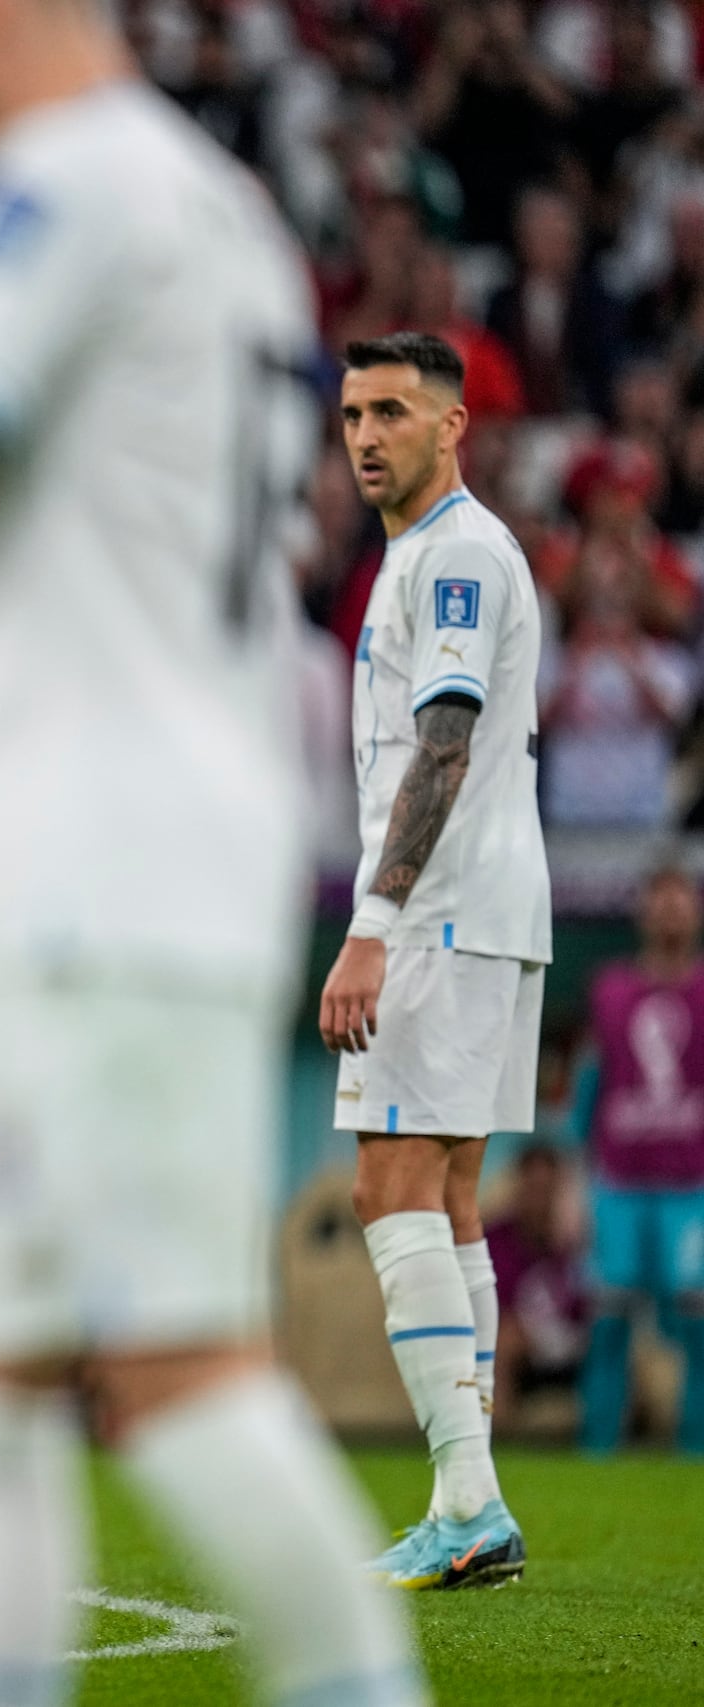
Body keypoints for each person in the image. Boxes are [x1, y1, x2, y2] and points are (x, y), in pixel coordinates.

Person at [0, 3, 421, 1704]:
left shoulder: (61, 193)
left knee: (182, 1387)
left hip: (105, 879)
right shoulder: (214, 203)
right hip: (110, 867)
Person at [322, 330, 548, 1587]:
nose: (365, 436)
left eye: (393, 413)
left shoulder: (453, 555)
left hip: (441, 918)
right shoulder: (430, 553)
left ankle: (467, 1503)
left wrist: (373, 922)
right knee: (450, 1195)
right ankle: (472, 1496)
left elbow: (444, 743)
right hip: (487, 914)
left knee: (387, 1188)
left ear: (451, 425)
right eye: (353, 414)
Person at [570, 863, 704, 1454]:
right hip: (618, 1185)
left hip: (691, 1187)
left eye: (682, 900)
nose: (672, 911)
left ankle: (693, 1455)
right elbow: (588, 1088)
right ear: (643, 910)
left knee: (697, 1325)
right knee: (609, 1324)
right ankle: (598, 1454)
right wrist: (579, 1184)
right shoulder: (611, 990)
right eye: (661, 899)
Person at [479, 1142, 588, 1432]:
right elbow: (489, 1304)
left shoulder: (581, 1238)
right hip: (524, 1343)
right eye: (533, 1188)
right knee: (503, 1342)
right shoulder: (496, 1237)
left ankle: (617, 1443)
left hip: (574, 1339)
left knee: (612, 1345)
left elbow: (595, 1300)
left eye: (547, 1189)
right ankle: (500, 1441)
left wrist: (566, 1243)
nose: (539, 1199)